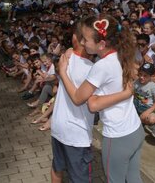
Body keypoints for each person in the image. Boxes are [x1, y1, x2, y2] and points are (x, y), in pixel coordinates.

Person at [59, 15, 144, 183]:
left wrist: (62, 72)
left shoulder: (101, 66)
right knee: (134, 178)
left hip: (118, 137)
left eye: (85, 39)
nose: (82, 42)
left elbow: (78, 98)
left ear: (102, 44)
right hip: (135, 130)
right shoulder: (122, 54)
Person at [50, 21, 95, 183]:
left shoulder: (65, 58)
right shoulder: (94, 70)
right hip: (77, 133)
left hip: (58, 126)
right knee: (80, 178)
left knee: (57, 167)